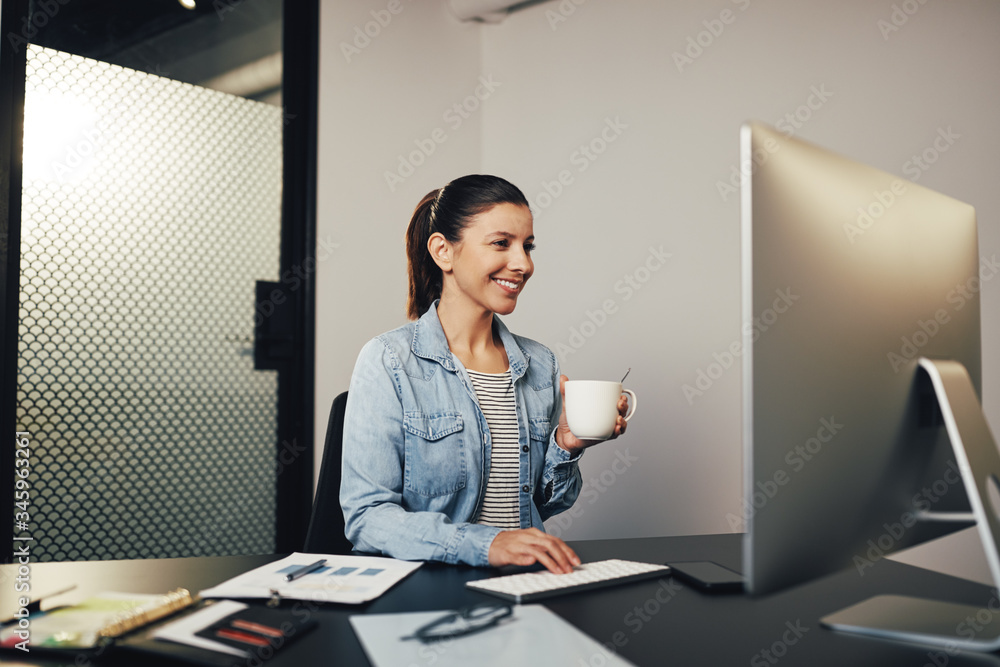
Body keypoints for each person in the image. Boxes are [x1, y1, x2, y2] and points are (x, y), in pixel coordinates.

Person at [339, 174, 629, 574]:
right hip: (430, 589)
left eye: (527, 246)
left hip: (519, 585)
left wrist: (566, 446)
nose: (523, 264)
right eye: (501, 243)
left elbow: (542, 503)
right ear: (443, 251)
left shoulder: (540, 364)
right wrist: (485, 543)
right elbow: (367, 519)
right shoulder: (388, 360)